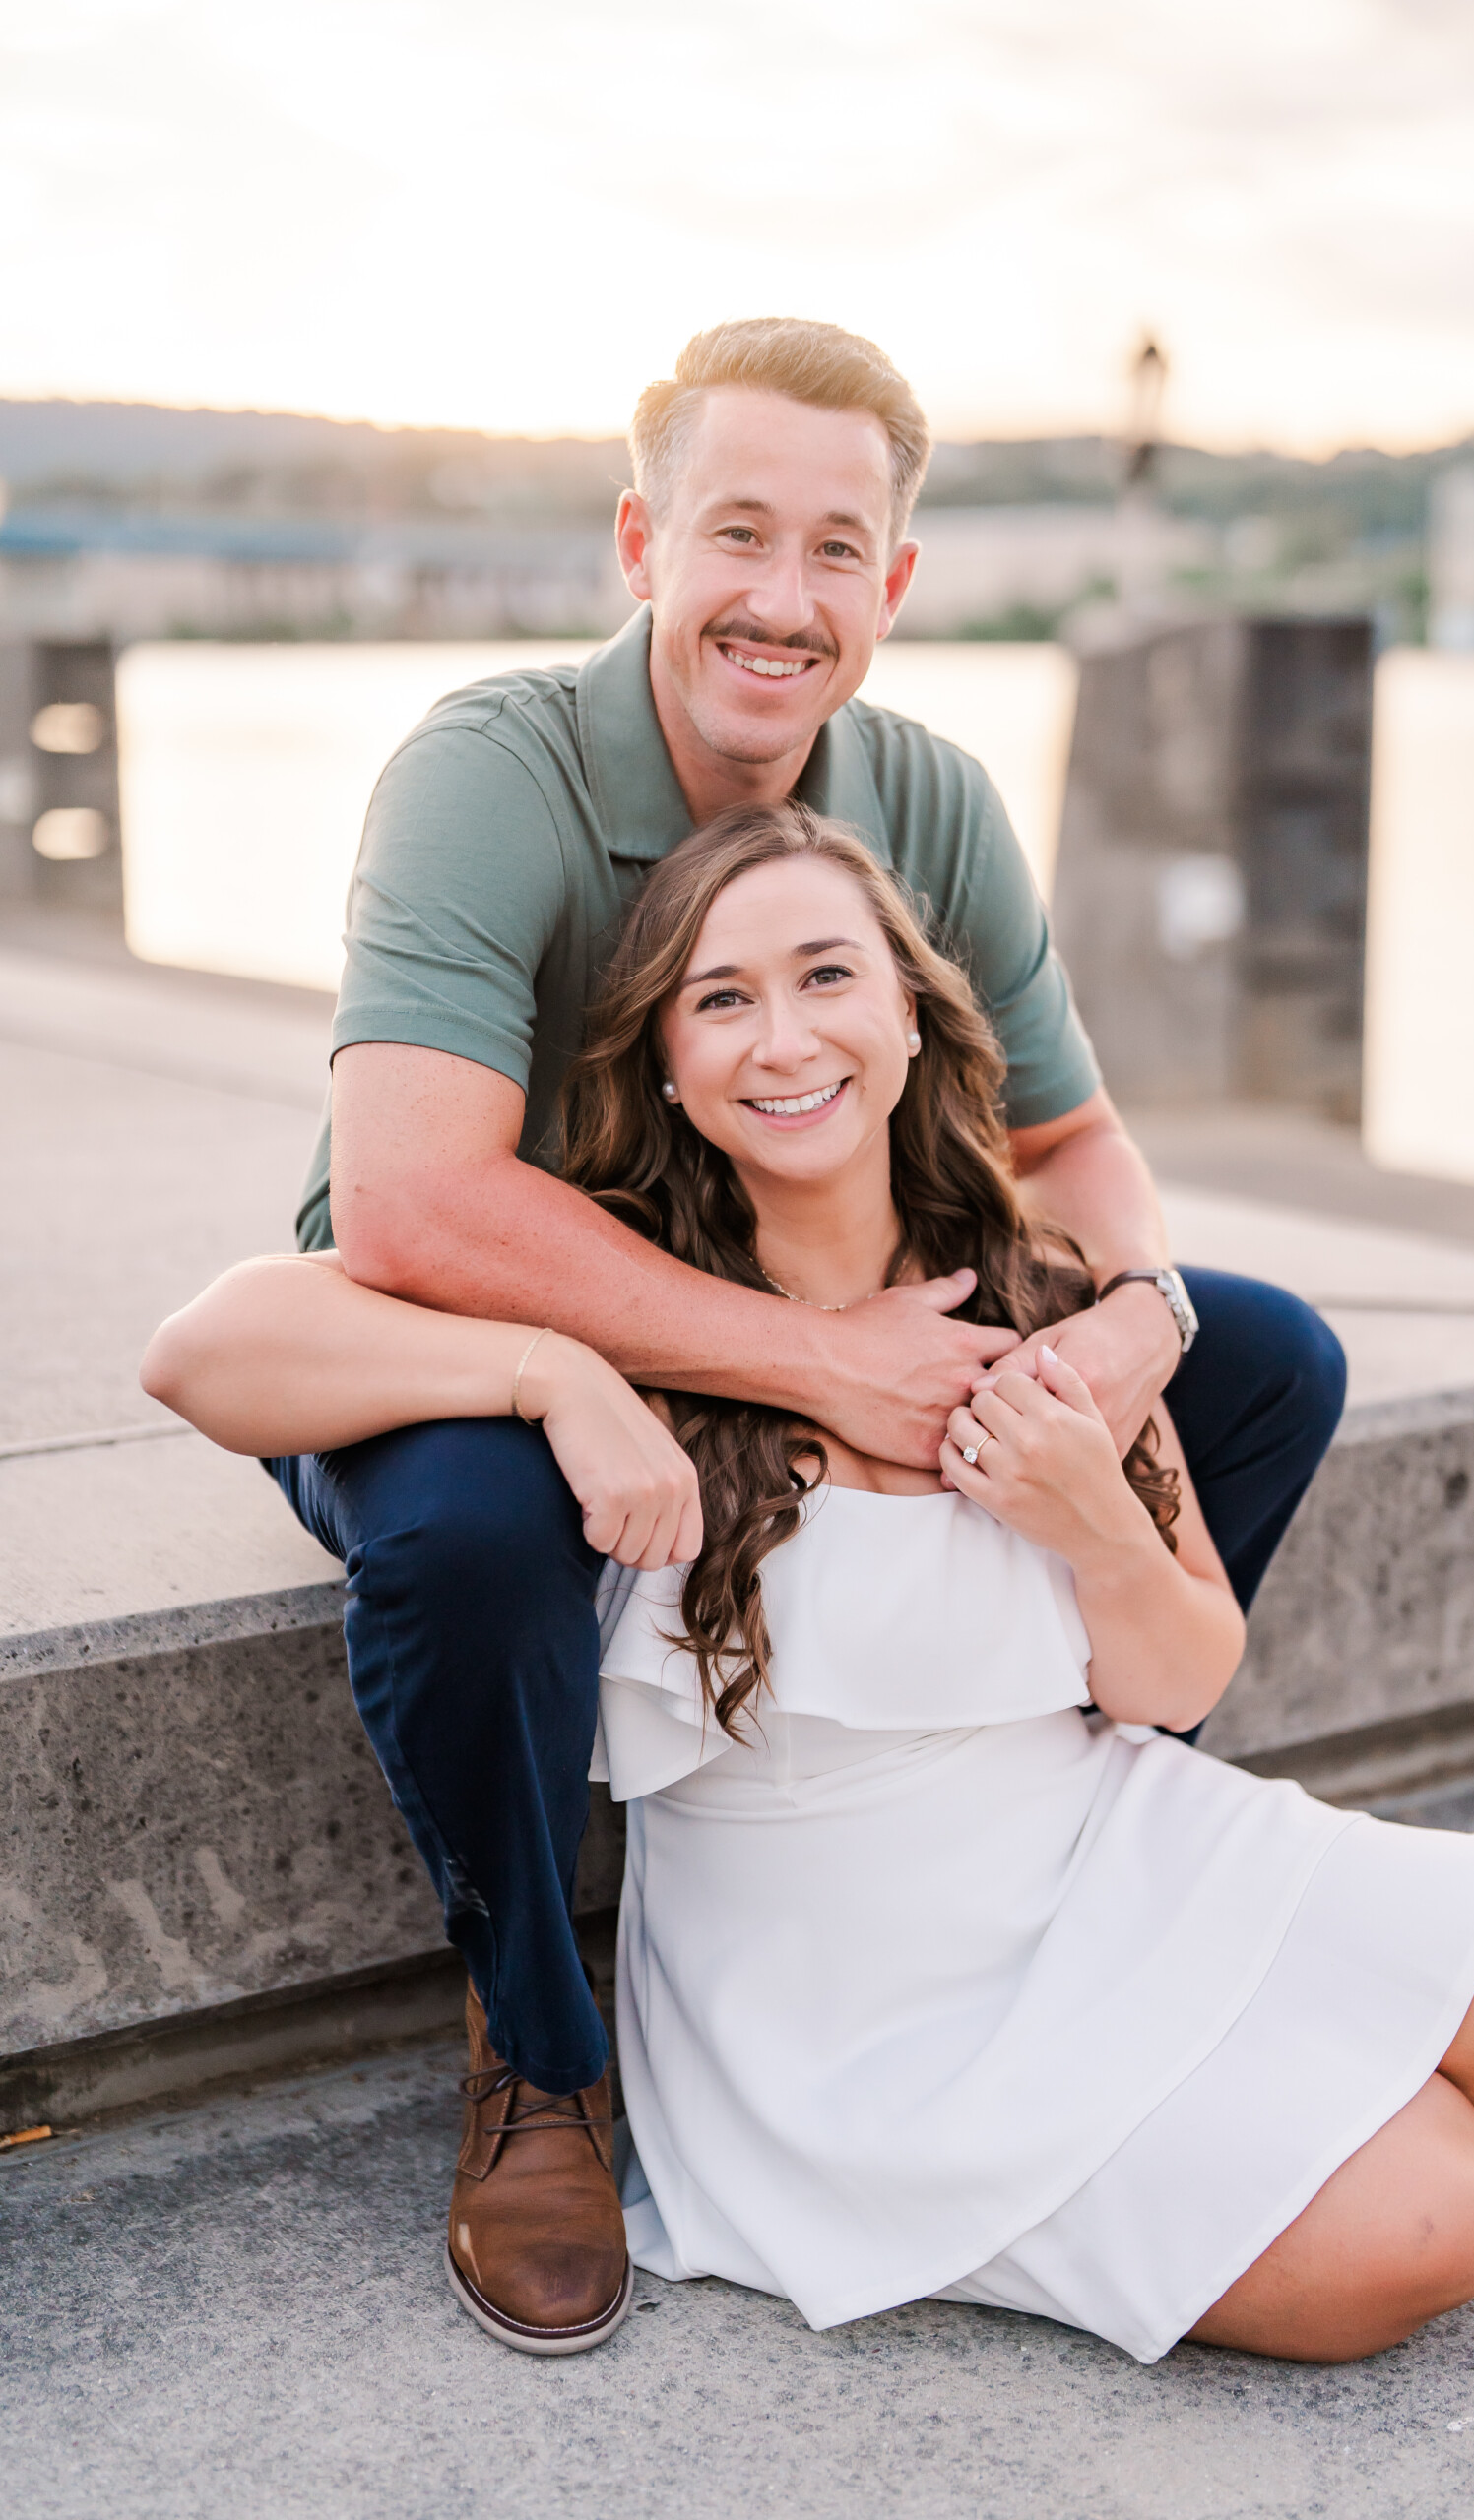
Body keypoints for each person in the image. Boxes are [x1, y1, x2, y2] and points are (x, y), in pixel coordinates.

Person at [145, 807, 1474, 2369]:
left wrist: (1094, 1519)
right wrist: (550, 1374)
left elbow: (1179, 1684)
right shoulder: (635, 1309)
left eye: (828, 976)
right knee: (1437, 2225)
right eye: (721, 998)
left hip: (1106, 1844)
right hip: (848, 2003)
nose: (785, 1035)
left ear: (911, 1016)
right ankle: (1354, 2073)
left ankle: (1427, 2038)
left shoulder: (1050, 1290)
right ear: (666, 1063)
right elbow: (202, 1352)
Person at [187, 315, 1363, 2353]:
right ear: (641, 538)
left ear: (893, 585)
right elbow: (408, 1201)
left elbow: (1068, 1136)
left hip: (806, 1300)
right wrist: (805, 1364)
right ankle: (538, 2048)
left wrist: (1132, 1321)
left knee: (1264, 1353)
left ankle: (1056, 1835)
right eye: (735, 532)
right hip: (461, 1337)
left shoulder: (925, 794)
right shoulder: (491, 772)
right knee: (473, 1534)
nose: (780, 597)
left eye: (837, 550)